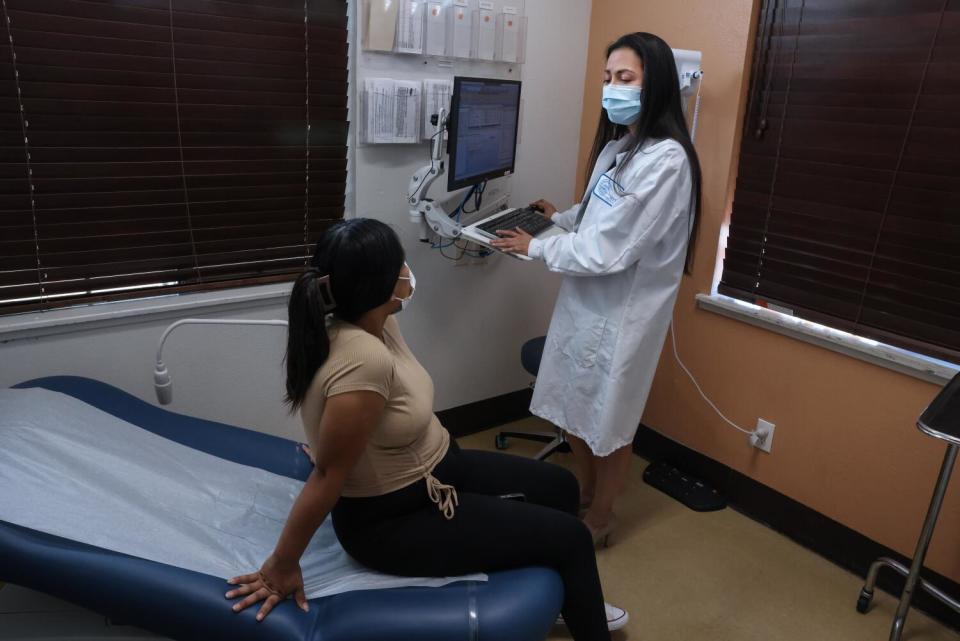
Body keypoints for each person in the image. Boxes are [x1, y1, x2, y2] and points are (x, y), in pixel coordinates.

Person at [224, 218, 626, 639]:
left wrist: (333, 445)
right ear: (379, 285)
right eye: (400, 265)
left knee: (561, 488)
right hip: (394, 518)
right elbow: (328, 475)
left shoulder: (376, 323)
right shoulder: (363, 358)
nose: (406, 273)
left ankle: (563, 594)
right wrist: (281, 567)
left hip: (439, 464)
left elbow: (349, 421)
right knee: (573, 540)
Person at [491, 32, 703, 544]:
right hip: (586, 303)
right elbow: (596, 218)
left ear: (657, 86)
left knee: (608, 420)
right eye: (608, 78)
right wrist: (555, 218)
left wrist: (536, 247)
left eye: (625, 79)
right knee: (574, 407)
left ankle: (601, 515)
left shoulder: (669, 161)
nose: (612, 89)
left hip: (623, 313)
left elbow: (611, 250)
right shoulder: (621, 146)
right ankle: (584, 495)